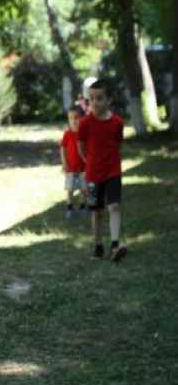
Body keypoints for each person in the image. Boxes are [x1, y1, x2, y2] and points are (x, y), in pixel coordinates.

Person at [77, 79, 127, 262]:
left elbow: (118, 146)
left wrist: (113, 163)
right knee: (96, 211)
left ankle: (115, 245)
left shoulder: (117, 123)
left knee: (114, 206)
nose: (94, 103)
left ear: (109, 100)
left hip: (113, 172)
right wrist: (89, 162)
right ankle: (98, 245)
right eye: (91, 99)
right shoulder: (84, 124)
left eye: (99, 98)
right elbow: (81, 148)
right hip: (92, 175)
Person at [60, 105, 87, 219]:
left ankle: (82, 207)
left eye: (76, 117)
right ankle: (70, 208)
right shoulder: (67, 134)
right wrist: (64, 164)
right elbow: (63, 149)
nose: (74, 121)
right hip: (70, 168)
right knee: (70, 189)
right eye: (71, 118)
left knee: (84, 188)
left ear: (82, 119)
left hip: (84, 167)